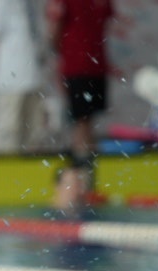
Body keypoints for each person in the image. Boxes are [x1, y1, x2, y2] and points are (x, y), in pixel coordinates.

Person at [46, 0, 112, 161]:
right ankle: (85, 168)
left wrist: (65, 51)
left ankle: (83, 169)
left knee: (83, 122)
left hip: (79, 64)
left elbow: (54, 32)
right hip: (91, 63)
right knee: (85, 121)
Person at [0, 0, 45, 154]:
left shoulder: (31, 3)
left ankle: (28, 175)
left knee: (33, 133)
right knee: (6, 132)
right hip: (9, 78)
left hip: (33, 76)